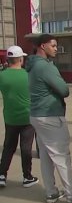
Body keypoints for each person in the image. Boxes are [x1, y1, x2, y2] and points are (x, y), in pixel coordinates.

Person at [26, 34, 72, 203]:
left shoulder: (32, 65)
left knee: (47, 157)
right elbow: (64, 90)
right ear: (43, 46)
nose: (57, 49)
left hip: (37, 115)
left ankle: (51, 192)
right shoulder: (46, 67)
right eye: (53, 46)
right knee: (62, 157)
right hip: (50, 116)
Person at [0, 46, 39, 188]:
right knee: (26, 148)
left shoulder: (2, 75)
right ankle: (27, 177)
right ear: (21, 59)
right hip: (27, 118)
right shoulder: (28, 75)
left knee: (8, 147)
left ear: (8, 59)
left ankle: (2, 175)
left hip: (10, 118)